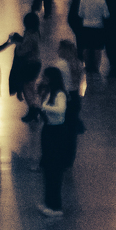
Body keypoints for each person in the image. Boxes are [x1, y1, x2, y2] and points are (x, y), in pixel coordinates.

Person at [31, 66, 79, 217]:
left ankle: (55, 206)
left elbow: (60, 110)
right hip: (49, 130)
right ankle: (48, 202)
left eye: (45, 77)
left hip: (57, 133)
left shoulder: (59, 94)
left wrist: (43, 106)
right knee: (48, 169)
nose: (42, 79)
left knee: (54, 170)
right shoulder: (48, 92)